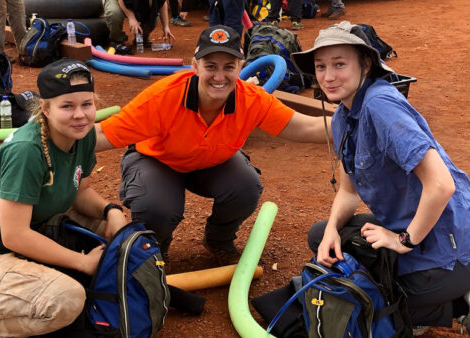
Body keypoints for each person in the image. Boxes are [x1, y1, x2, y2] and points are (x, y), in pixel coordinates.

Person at [95, 25, 331, 268]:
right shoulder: (163, 97)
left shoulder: (251, 99)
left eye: (229, 67)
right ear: (195, 67)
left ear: (240, 68)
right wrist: (57, 138)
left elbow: (305, 127)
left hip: (210, 161)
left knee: (246, 186)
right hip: (157, 159)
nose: (219, 77)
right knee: (156, 207)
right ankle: (155, 252)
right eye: (211, 67)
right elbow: (103, 133)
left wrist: (357, 122)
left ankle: (218, 240)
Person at [291, 21, 470, 335]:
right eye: (321, 66)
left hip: (449, 244)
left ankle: (459, 303)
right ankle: (429, 297)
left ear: (366, 63)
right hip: (412, 227)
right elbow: (348, 192)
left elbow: (442, 185)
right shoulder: (344, 116)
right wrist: (333, 229)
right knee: (323, 238)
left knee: (368, 300)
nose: (328, 76)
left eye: (339, 64)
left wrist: (401, 241)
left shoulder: (380, 106)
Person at [0, 58, 128, 338]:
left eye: (87, 104)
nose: (80, 114)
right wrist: (80, 262)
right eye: (67, 106)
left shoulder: (79, 136)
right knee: (67, 300)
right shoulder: (27, 151)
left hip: (33, 232)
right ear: (45, 108)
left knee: (124, 237)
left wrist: (111, 211)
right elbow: (13, 236)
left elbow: (78, 192)